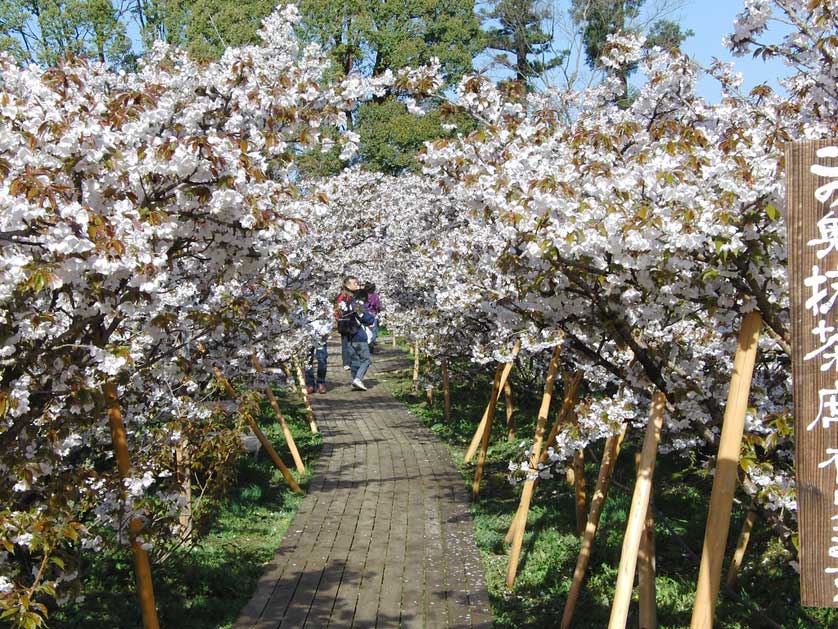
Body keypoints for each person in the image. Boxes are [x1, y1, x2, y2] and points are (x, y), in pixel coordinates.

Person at [336, 276, 376, 390]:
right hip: (358, 334)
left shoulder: (341, 301)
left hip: (347, 335)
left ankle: (354, 381)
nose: (357, 285)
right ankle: (358, 378)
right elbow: (364, 316)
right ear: (348, 285)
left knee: (355, 360)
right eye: (355, 283)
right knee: (366, 359)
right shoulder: (354, 302)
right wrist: (371, 320)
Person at [304, 296, 332, 394]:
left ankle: (321, 382)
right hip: (306, 335)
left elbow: (330, 317)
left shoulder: (322, 300)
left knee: (322, 359)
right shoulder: (303, 302)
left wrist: (326, 331)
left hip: (321, 335)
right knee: (307, 360)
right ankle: (310, 383)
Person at [362, 282, 382, 350]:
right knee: (374, 331)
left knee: (366, 330)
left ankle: (367, 343)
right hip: (373, 314)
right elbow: (378, 306)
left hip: (364, 314)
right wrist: (378, 310)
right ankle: (371, 343)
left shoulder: (362, 296)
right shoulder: (375, 296)